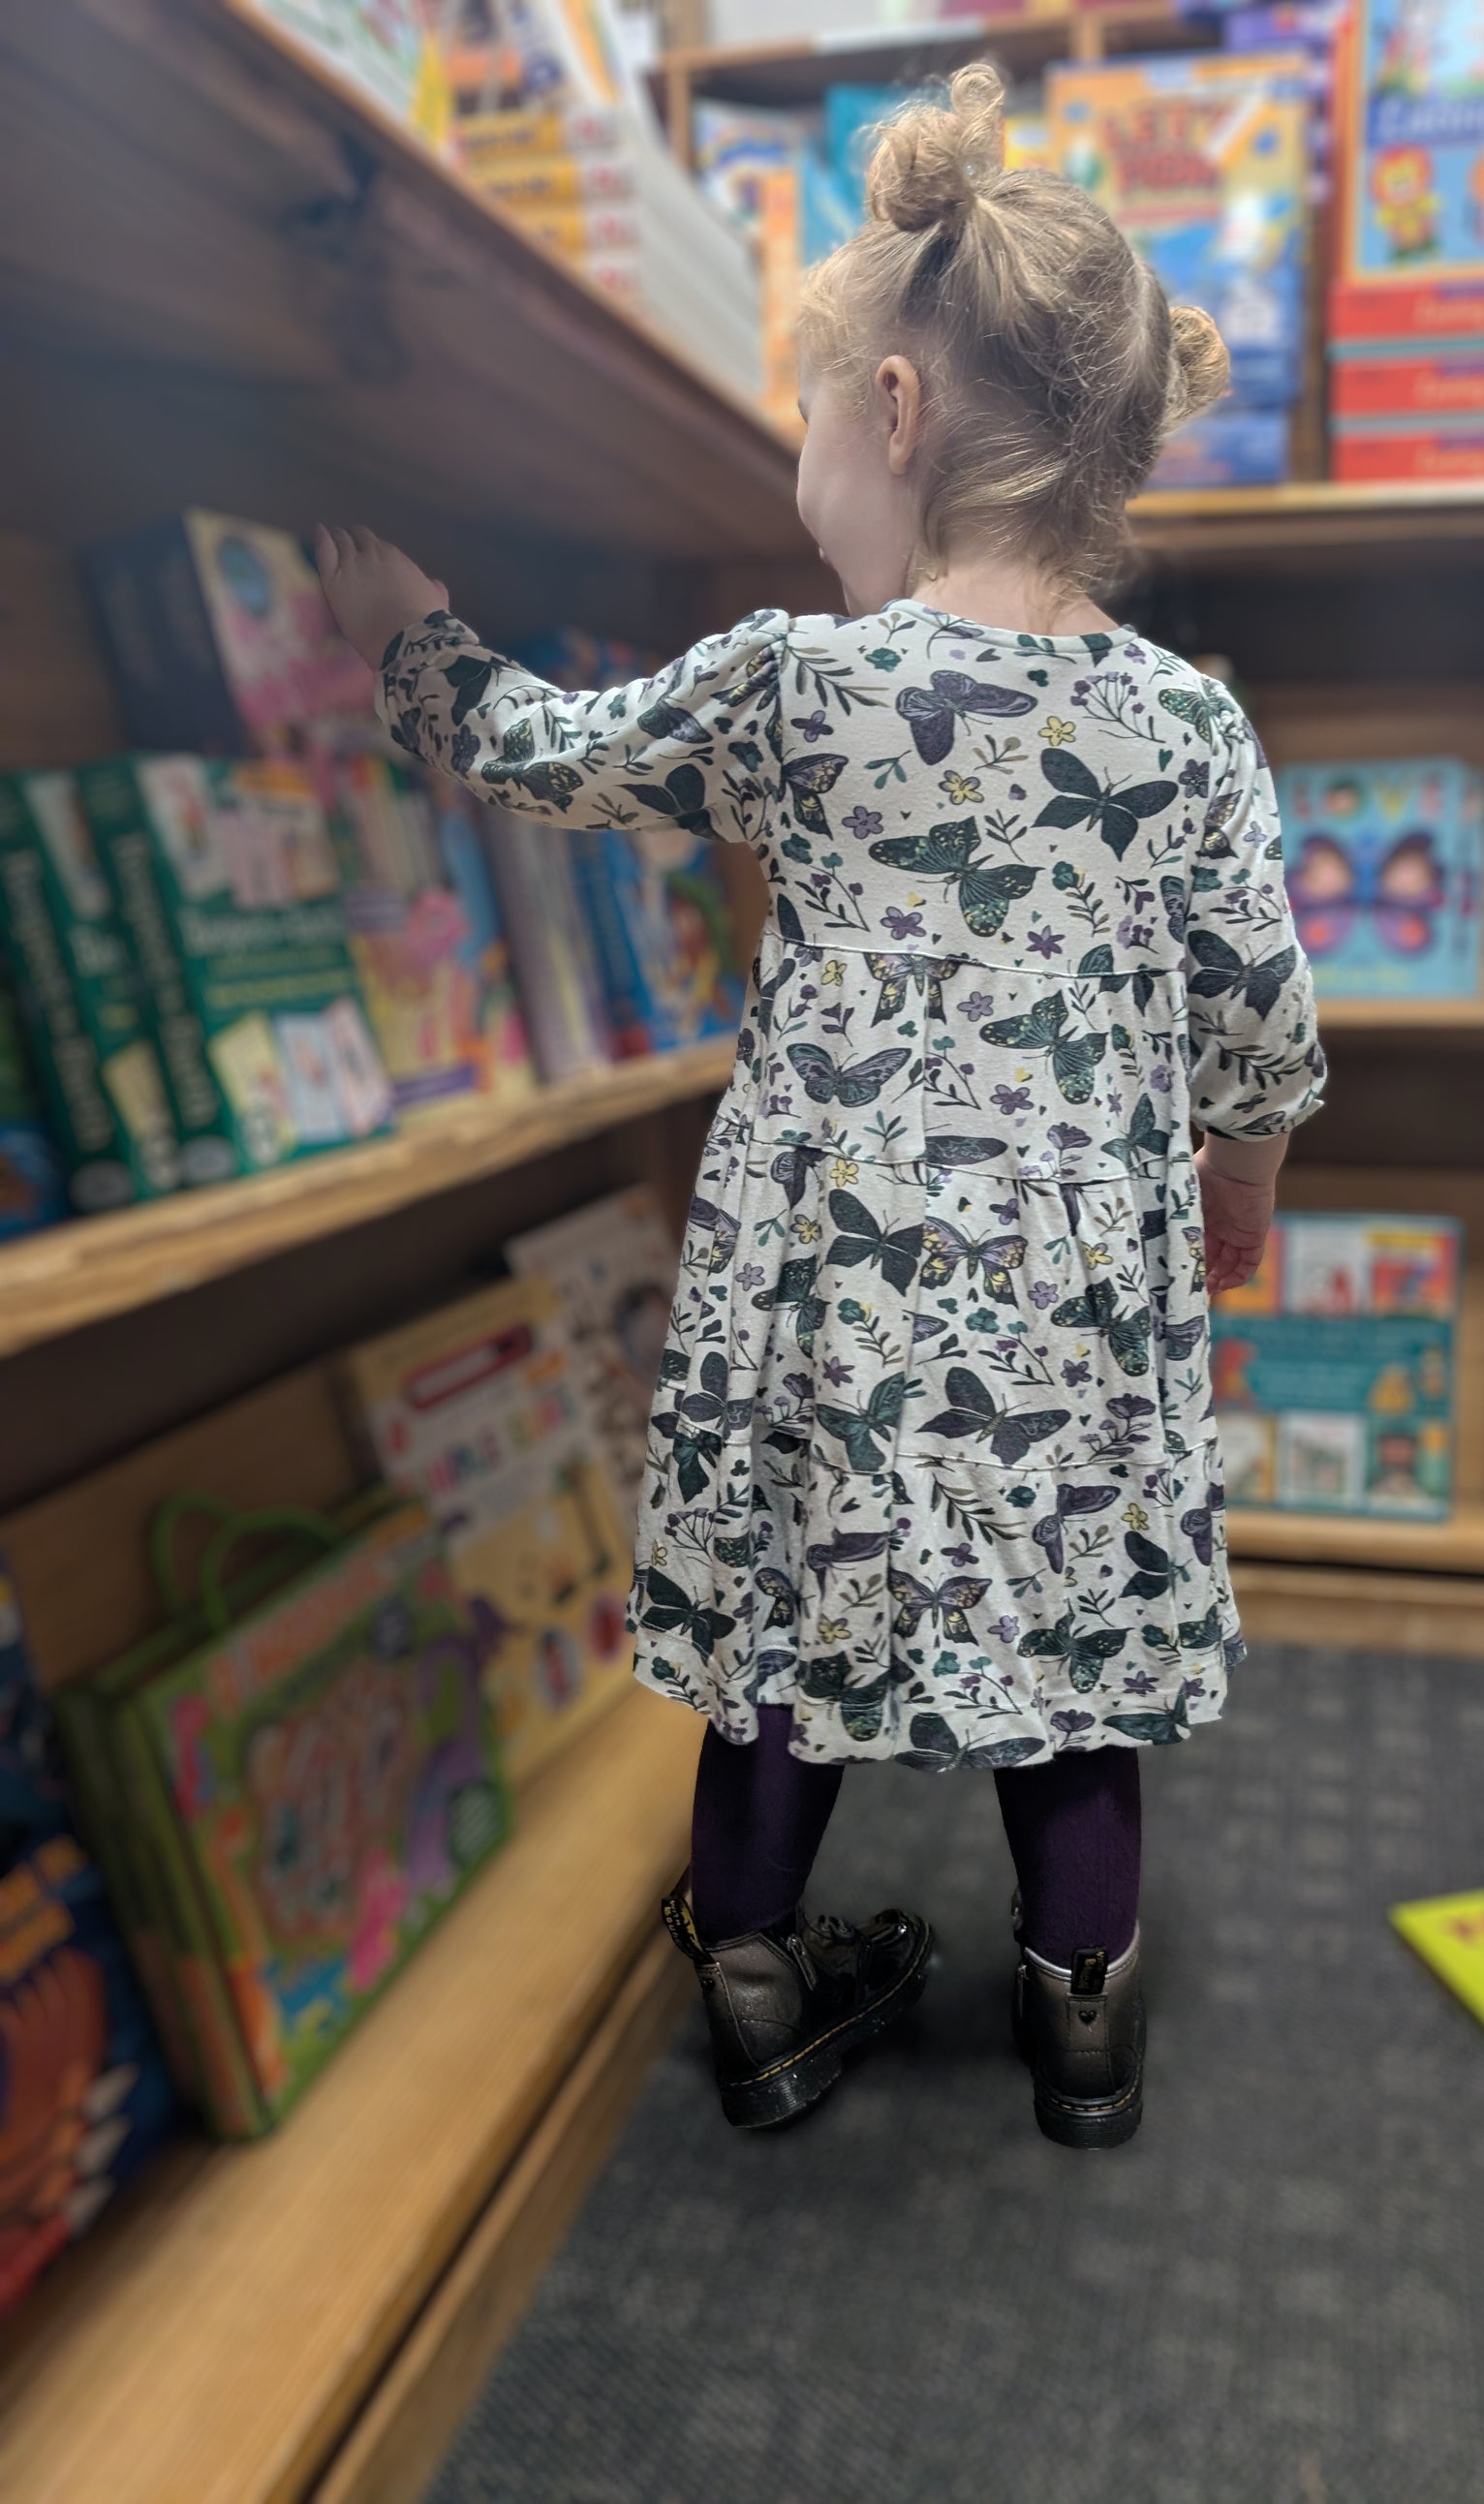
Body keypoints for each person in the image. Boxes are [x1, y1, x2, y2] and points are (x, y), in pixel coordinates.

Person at [316, 64, 1324, 2152]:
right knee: (1077, 1677)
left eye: (801, 414)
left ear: (887, 407)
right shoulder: (1184, 726)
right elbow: (1255, 1018)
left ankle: (761, 1989)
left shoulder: (794, 680)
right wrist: (1237, 1192)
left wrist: (406, 638)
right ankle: (1082, 2026)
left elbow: (541, 753)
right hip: (1068, 1306)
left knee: (785, 1635)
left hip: (830, 1293)